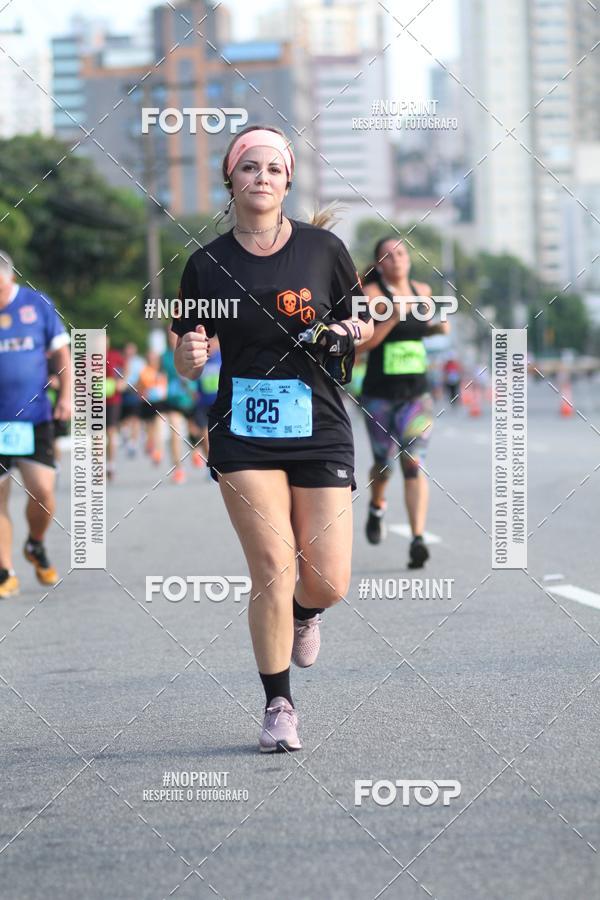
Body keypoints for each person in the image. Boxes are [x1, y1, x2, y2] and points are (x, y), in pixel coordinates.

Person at [172, 124, 373, 752]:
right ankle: (278, 703)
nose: (261, 178)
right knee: (271, 566)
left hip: (320, 425)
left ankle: (306, 613)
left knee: (327, 581)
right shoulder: (207, 264)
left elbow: (360, 318)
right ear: (229, 180)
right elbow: (186, 357)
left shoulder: (323, 249)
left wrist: (346, 333)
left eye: (273, 169)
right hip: (244, 432)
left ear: (288, 181)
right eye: (249, 168)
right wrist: (191, 350)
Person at [358, 237, 450, 567]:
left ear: (408, 259)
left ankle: (417, 539)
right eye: (388, 255)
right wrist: (393, 317)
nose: (396, 259)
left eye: (401, 253)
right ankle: (377, 505)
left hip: (417, 395)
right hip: (380, 395)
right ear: (379, 263)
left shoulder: (422, 291)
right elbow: (361, 347)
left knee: (413, 465)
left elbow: (429, 329)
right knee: (383, 465)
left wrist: (437, 327)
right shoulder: (370, 296)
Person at [0, 251, 70, 597]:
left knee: (42, 492)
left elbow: (62, 355)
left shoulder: (37, 303)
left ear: (9, 277)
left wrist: (69, 396)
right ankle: (5, 570)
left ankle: (36, 543)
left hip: (34, 417)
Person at [161, 338, 198, 484]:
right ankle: (178, 469)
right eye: (169, 333)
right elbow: (158, 375)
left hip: (191, 398)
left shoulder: (193, 349)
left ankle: (196, 451)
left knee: (195, 431)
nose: (172, 337)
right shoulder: (164, 356)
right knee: (175, 433)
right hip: (173, 399)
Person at [138, 350, 168, 463]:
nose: (152, 361)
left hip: (160, 402)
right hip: (147, 402)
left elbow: (165, 386)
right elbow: (140, 387)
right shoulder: (144, 371)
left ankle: (158, 452)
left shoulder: (162, 371)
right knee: (149, 428)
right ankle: (151, 444)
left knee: (159, 427)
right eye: (150, 359)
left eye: (154, 358)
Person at [105, 335, 125, 480]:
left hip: (113, 400)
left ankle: (110, 464)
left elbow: (122, 373)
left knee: (111, 431)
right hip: (95, 402)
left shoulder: (114, 356)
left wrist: (121, 383)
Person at [120, 342, 145, 456]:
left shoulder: (139, 362)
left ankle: (133, 442)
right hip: (123, 392)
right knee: (124, 418)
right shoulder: (121, 360)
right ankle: (125, 435)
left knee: (135, 418)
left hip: (135, 391)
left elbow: (143, 376)